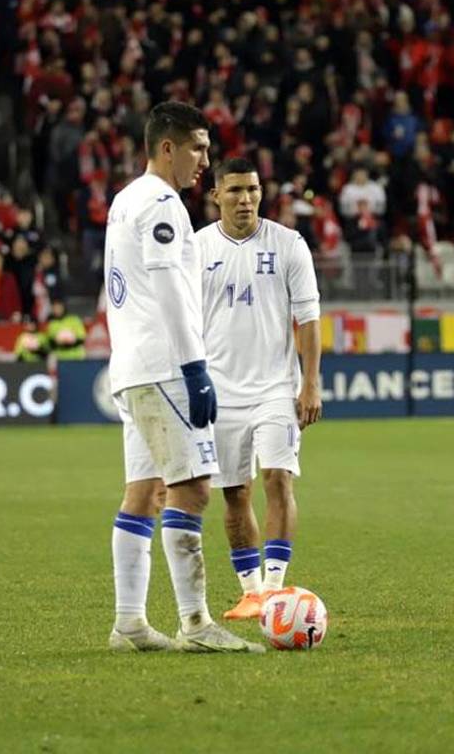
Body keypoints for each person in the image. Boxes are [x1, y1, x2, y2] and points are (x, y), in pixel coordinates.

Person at [104, 101, 262, 653]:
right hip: (165, 367)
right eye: (197, 148)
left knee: (143, 493)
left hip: (131, 364)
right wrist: (195, 368)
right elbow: (170, 288)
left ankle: (129, 624)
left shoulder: (125, 200)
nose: (205, 161)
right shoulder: (162, 204)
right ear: (166, 147)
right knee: (192, 489)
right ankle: (195, 625)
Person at [196, 158, 323, 620]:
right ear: (216, 196)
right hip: (219, 392)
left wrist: (309, 384)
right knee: (234, 493)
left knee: (277, 477)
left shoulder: (289, 244)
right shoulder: (196, 249)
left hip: (276, 387)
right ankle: (250, 591)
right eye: (234, 191)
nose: (245, 199)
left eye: (252, 190)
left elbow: (308, 318)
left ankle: (274, 589)